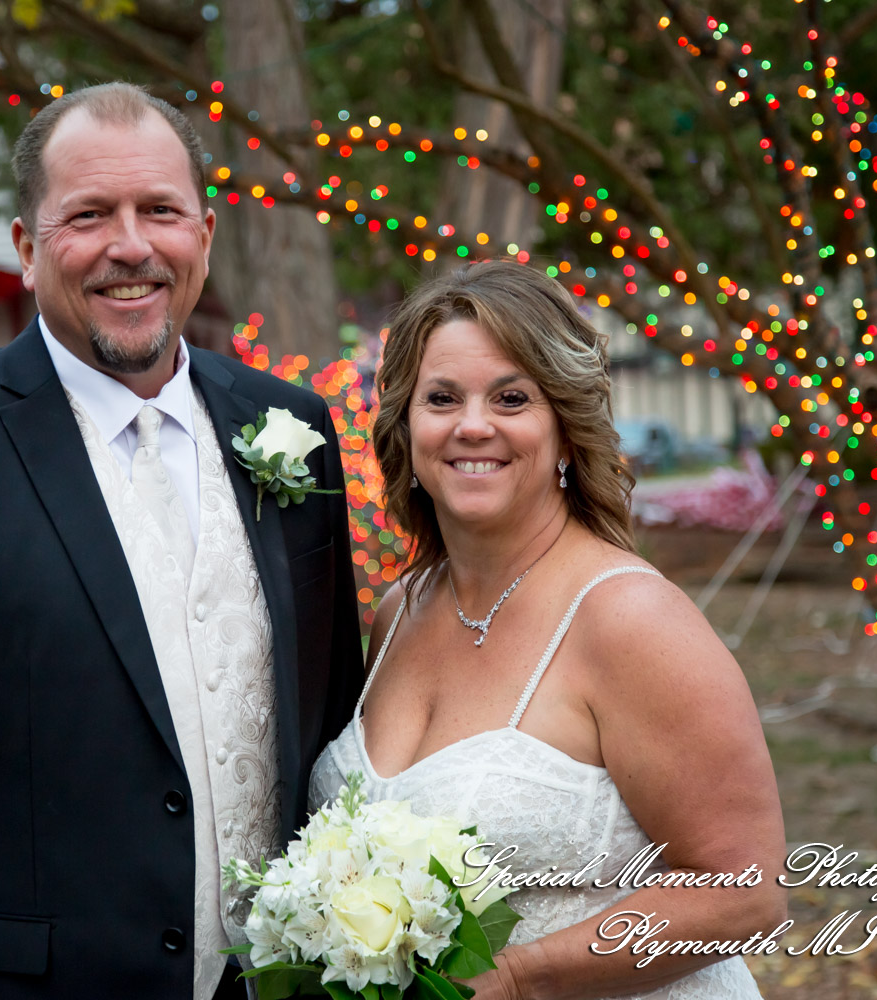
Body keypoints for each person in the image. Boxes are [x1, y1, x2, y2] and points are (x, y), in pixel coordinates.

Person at [0, 82, 365, 1000]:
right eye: (89, 215)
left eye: (160, 212)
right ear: (27, 247)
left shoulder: (290, 424)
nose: (131, 246)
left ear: (205, 237)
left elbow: (332, 715)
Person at [309, 261, 786, 999]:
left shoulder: (630, 619)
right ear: (407, 428)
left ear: (565, 431)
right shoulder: (398, 611)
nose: (473, 425)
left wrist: (524, 975)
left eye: (511, 397)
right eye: (442, 398)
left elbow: (746, 893)